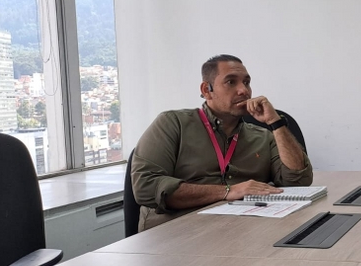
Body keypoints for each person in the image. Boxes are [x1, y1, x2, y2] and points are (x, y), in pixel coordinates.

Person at [131, 54, 313, 231]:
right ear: (206, 90)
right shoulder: (173, 123)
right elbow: (146, 186)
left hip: (240, 230)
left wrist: (276, 123)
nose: (244, 90)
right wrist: (227, 191)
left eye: (247, 82)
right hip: (177, 234)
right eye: (231, 82)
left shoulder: (263, 136)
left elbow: (299, 182)